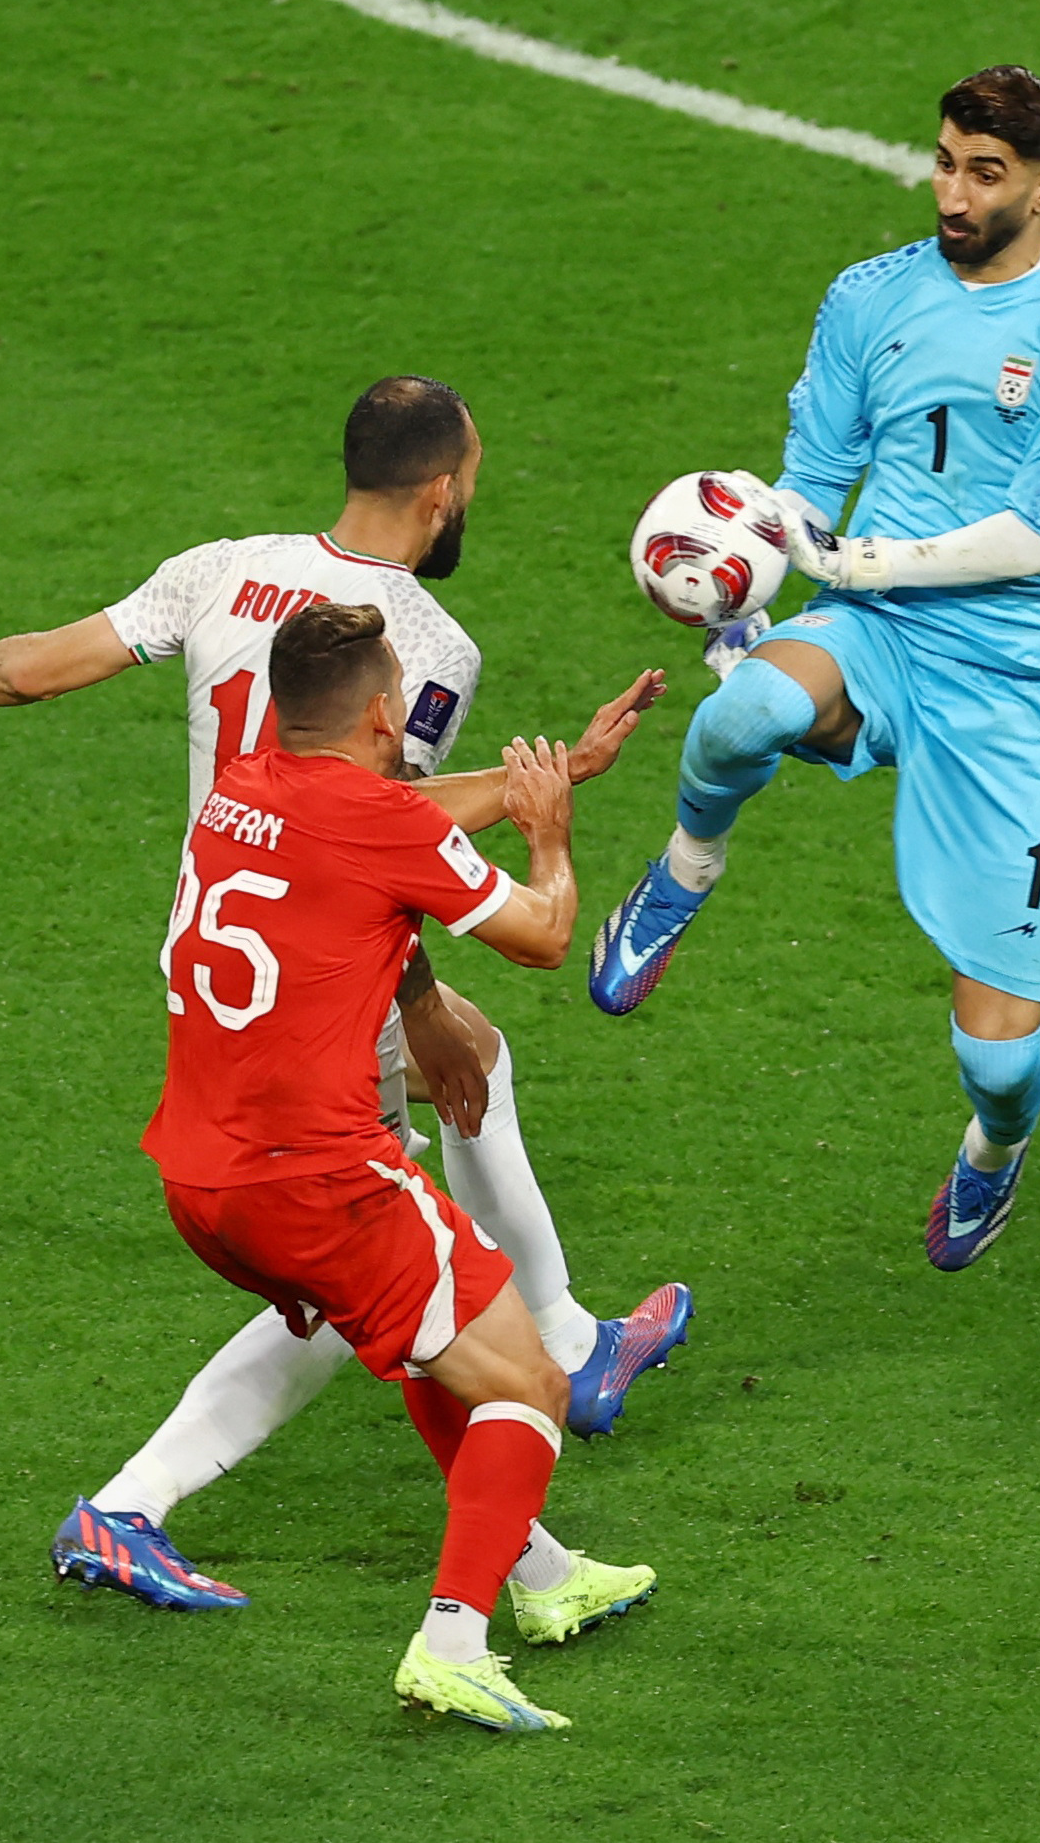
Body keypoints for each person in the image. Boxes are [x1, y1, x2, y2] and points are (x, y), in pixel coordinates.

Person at [0, 377, 691, 1612]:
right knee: (354, 1266)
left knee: (384, 1227)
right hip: (320, 984)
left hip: (213, 956)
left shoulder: (220, 567)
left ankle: (556, 1381)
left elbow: (42, 671)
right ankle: (147, 1499)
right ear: (445, 490)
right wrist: (419, 1001)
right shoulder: (425, 643)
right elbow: (375, 830)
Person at [588, 66, 1040, 1274]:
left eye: (986, 173)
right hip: (883, 631)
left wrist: (863, 563)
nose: (953, 190)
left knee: (998, 1061)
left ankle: (993, 1160)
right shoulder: (867, 296)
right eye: (946, 160)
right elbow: (808, 478)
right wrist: (749, 573)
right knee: (742, 714)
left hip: (1013, 676)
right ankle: (683, 872)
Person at [150, 601, 652, 1730]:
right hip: (318, 1180)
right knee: (532, 1385)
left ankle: (543, 1575)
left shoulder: (239, 788)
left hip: (202, 1181)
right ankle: (451, 1641)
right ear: (384, 712)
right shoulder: (376, 821)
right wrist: (551, 830)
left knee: (441, 1344)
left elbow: (393, 817)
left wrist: (555, 764)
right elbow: (542, 932)